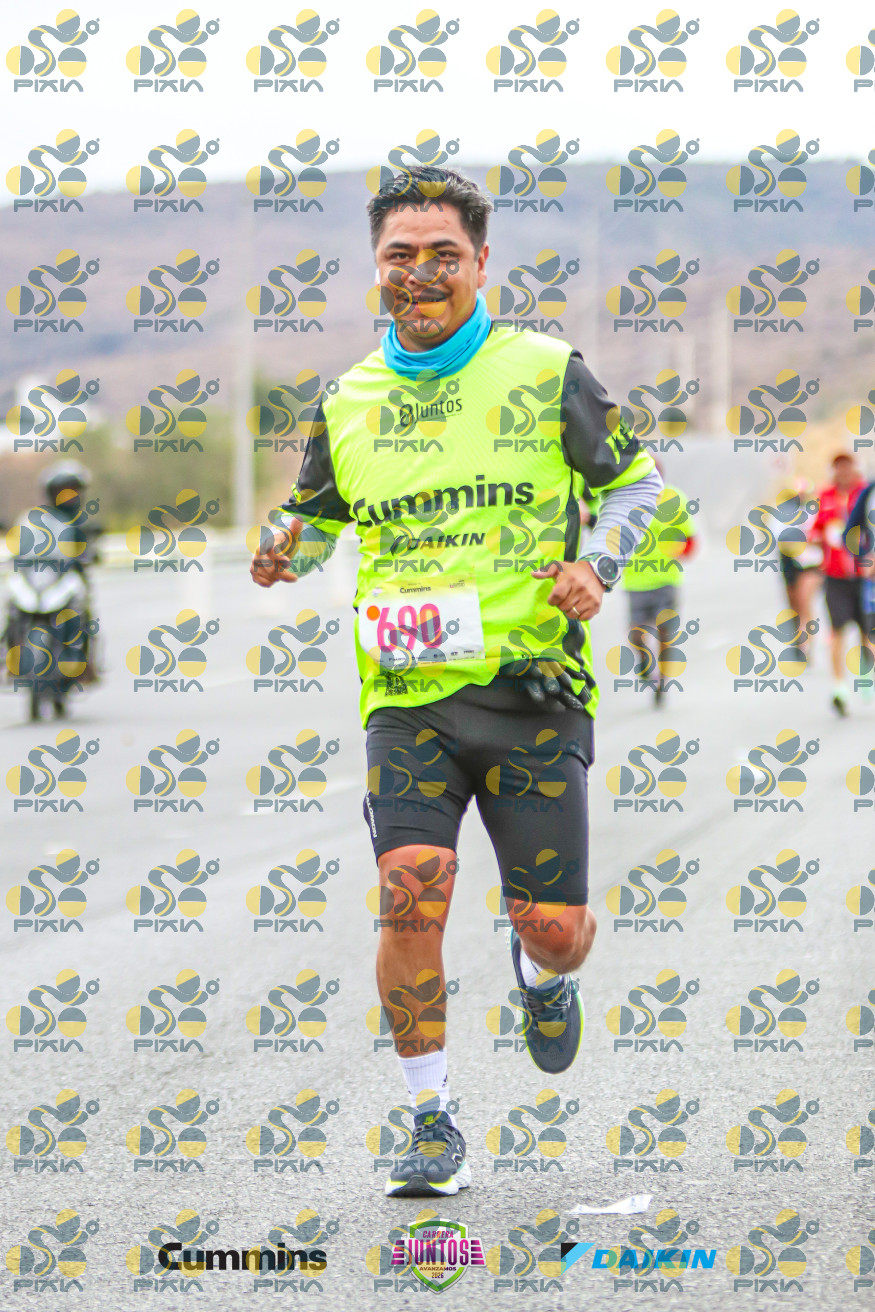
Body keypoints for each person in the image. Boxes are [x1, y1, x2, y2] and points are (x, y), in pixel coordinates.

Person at [250, 166, 661, 1197]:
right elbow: (316, 523)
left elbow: (635, 483)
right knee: (408, 897)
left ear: (481, 264)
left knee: (556, 932)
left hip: (531, 692)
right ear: (375, 268)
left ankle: (537, 974)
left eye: (443, 255)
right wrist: (282, 548)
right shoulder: (348, 399)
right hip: (408, 699)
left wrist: (597, 564)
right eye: (400, 256)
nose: (421, 273)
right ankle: (430, 1119)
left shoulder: (545, 370)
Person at [618, 463, 696, 705]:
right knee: (636, 635)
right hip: (636, 581)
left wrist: (678, 551)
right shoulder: (627, 500)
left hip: (666, 580)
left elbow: (690, 540)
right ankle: (644, 662)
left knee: (665, 632)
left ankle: (662, 681)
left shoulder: (675, 499)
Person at [809, 452, 867, 714]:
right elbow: (815, 530)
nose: (843, 471)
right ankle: (839, 688)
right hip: (835, 577)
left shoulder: (865, 493)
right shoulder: (826, 496)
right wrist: (818, 539)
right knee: (837, 631)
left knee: (867, 633)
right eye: (838, 467)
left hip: (864, 576)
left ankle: (866, 674)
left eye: (847, 466)